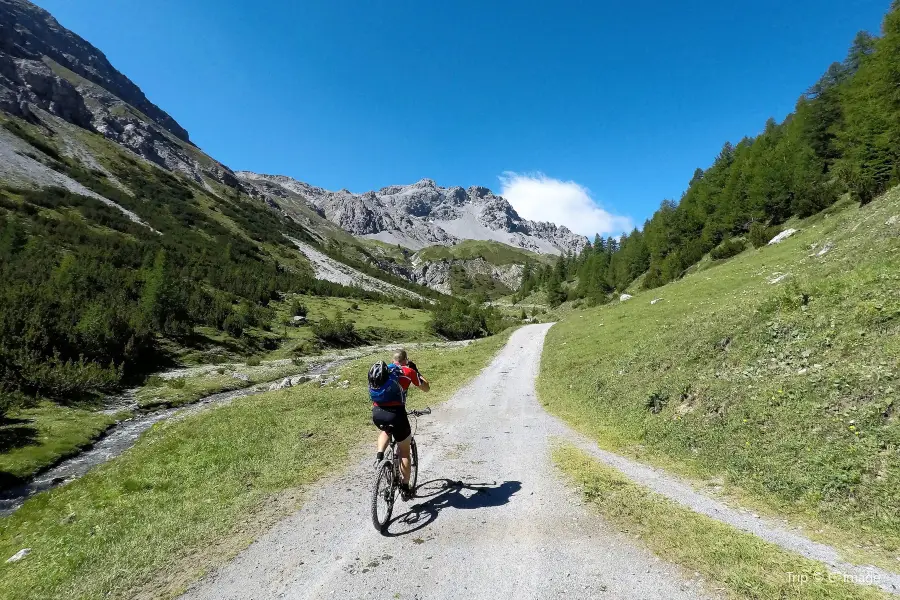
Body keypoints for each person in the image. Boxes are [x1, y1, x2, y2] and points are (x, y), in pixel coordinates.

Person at [370, 349, 430, 500]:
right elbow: (426, 388)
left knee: (386, 430)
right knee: (404, 451)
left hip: (377, 412)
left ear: (393, 359)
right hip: (397, 414)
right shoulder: (407, 371)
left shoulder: (384, 370)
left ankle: (379, 456)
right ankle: (405, 486)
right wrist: (416, 371)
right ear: (406, 359)